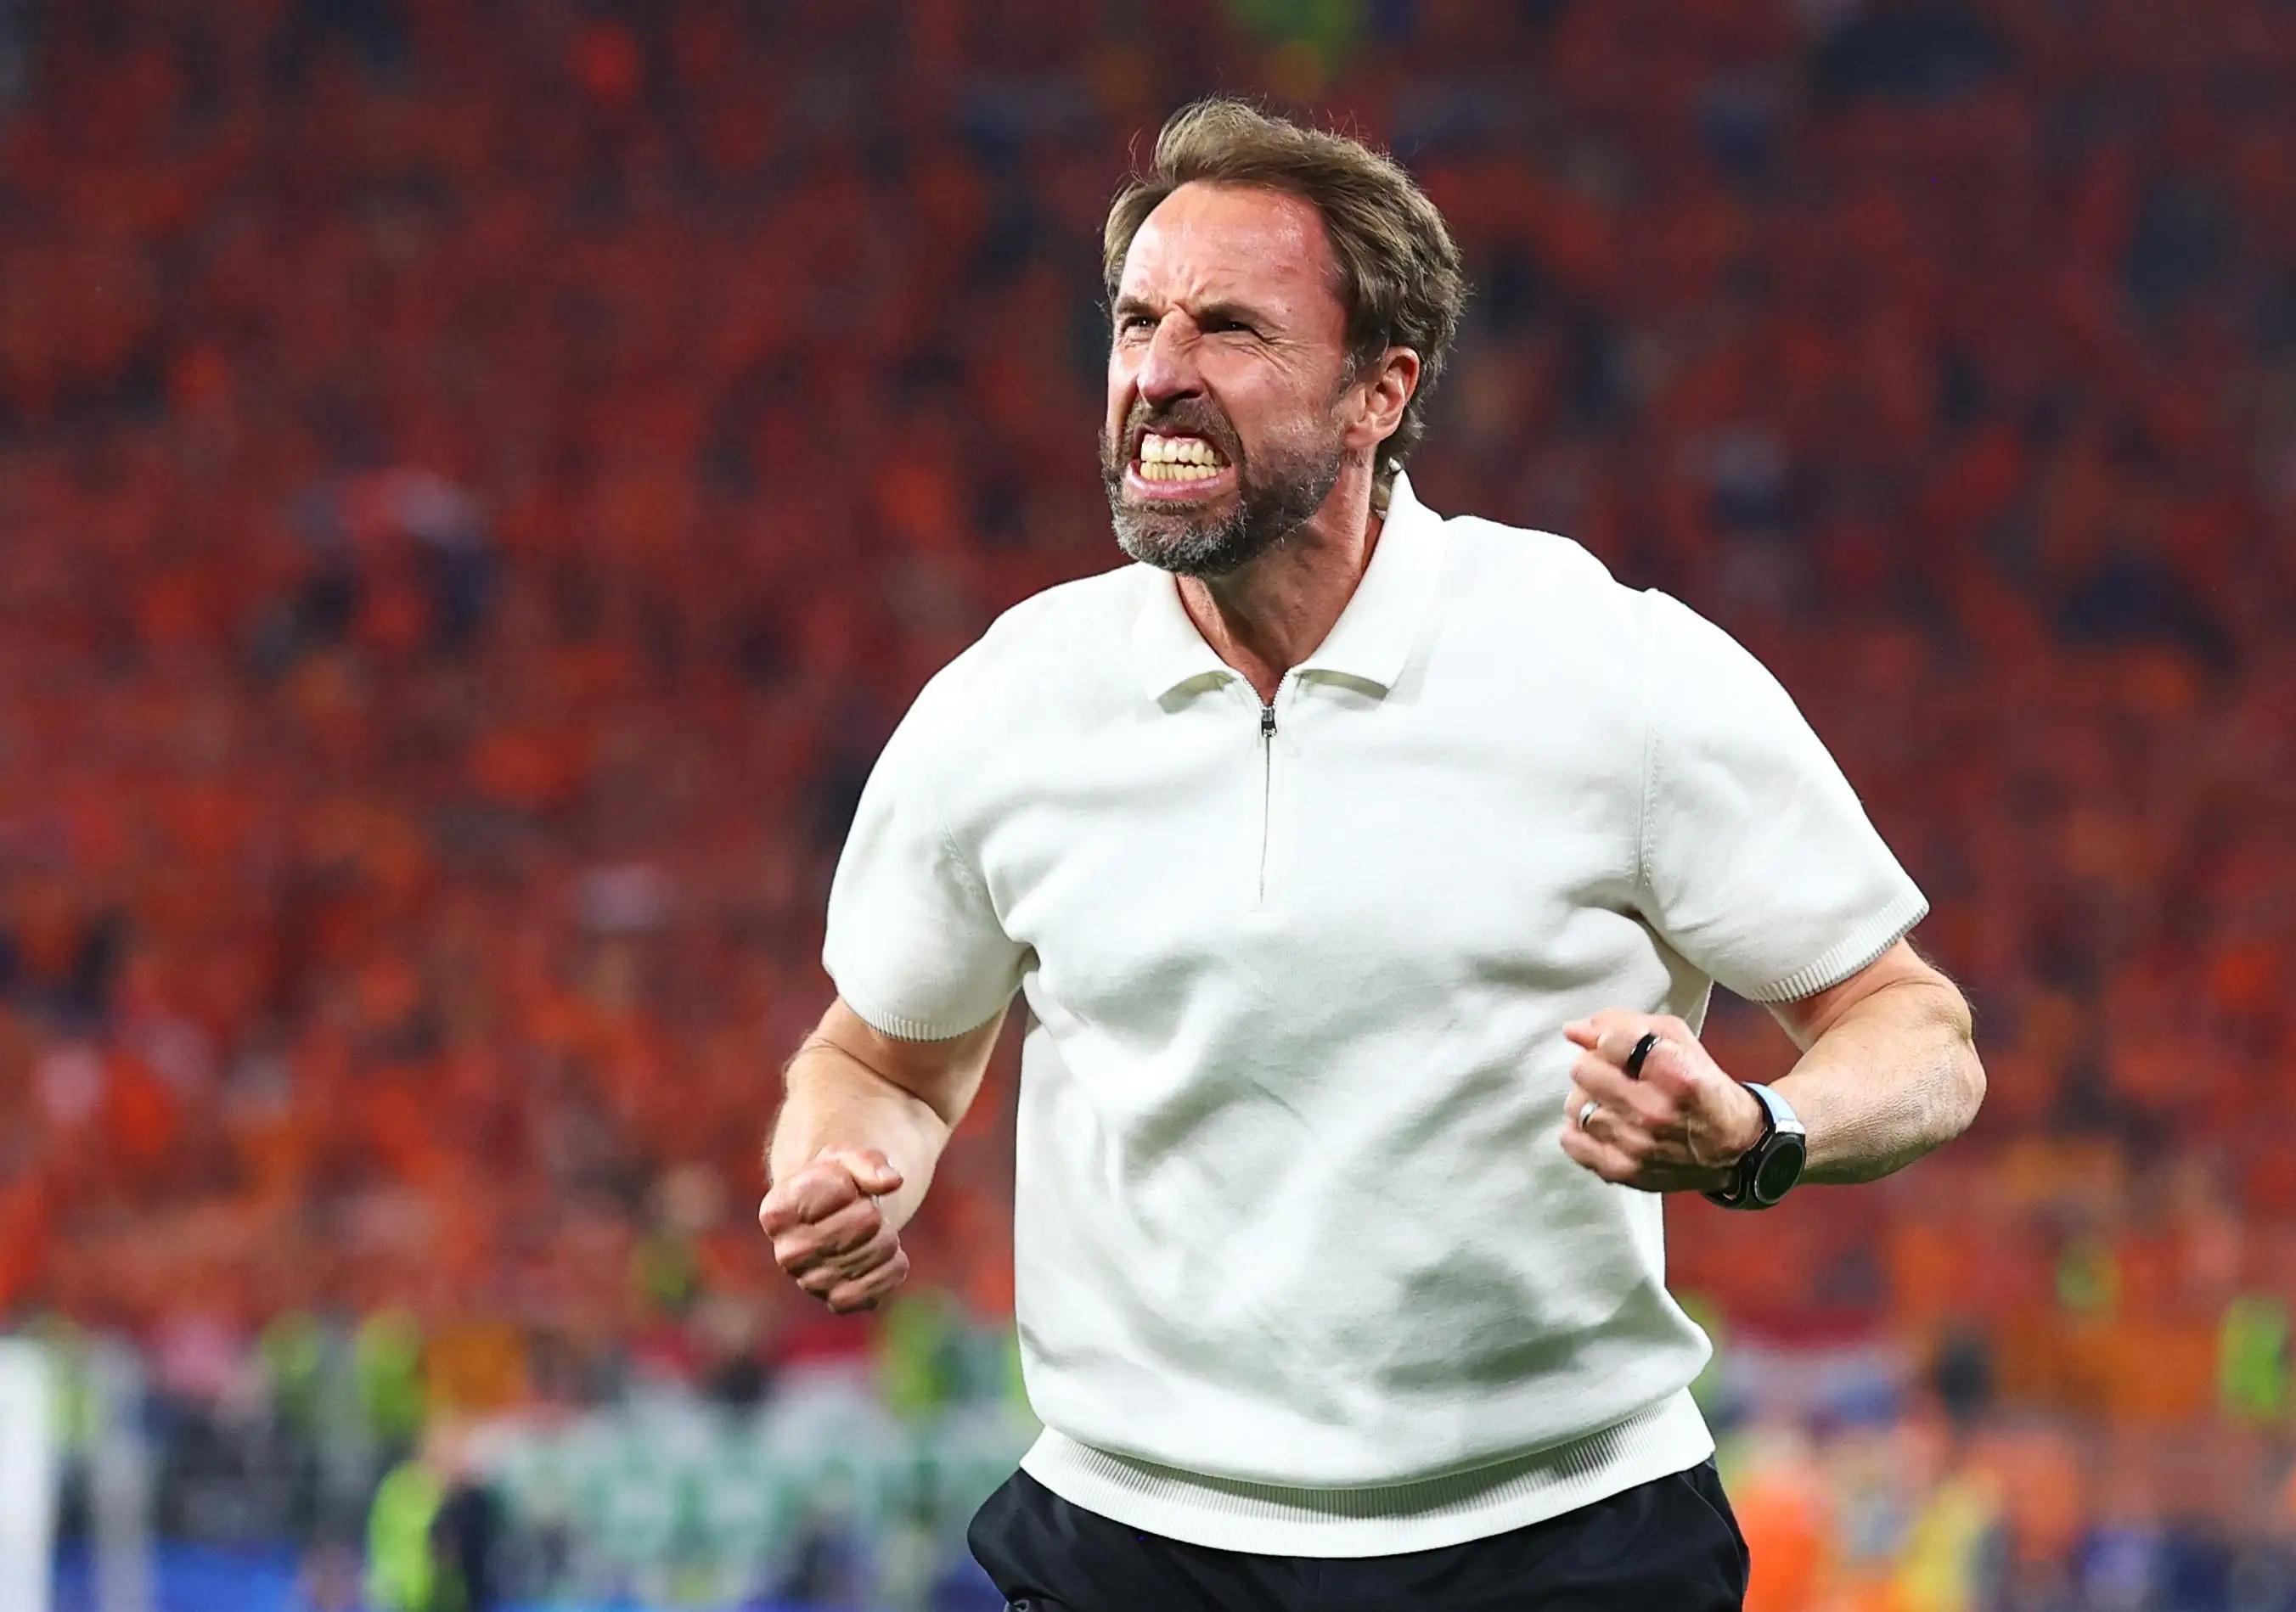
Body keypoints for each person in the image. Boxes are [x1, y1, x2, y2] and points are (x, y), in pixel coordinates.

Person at [759, 98, 1985, 1610]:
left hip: (1559, 1540)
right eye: (1136, 321)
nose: (1157, 371)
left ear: (1378, 392)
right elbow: (880, 1060)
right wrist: (846, 1167)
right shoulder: (1008, 704)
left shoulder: (1610, 670)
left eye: (1229, 328)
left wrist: (1760, 1132)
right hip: (1135, 1544)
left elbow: (1917, 1034)